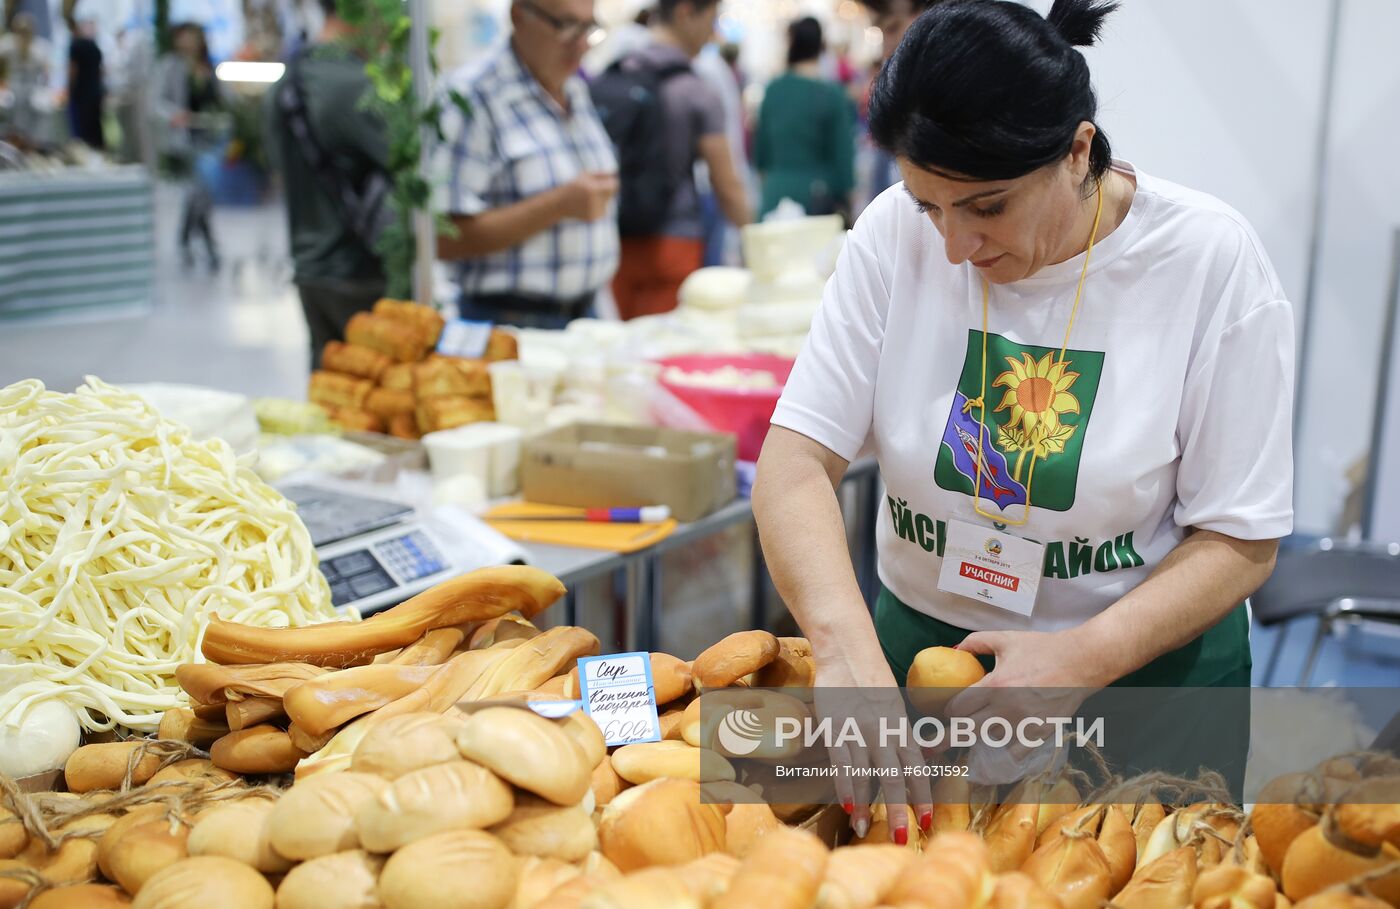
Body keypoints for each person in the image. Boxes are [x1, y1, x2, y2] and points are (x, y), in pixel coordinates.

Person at [754, 0, 1292, 841]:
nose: (956, 247)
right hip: (927, 664)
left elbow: (1241, 538)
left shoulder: (1206, 262)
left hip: (1141, 681)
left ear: (1078, 150)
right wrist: (839, 642)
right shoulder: (894, 238)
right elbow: (794, 462)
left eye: (988, 207)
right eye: (931, 205)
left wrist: (1082, 658)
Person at [435, 0, 620, 330]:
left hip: (585, 316)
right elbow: (444, 236)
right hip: (509, 322)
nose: (580, 43)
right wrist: (558, 204)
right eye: (565, 25)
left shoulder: (573, 88)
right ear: (519, 16)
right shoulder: (472, 96)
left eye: (588, 27)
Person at [606, 0, 750, 320]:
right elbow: (725, 183)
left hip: (616, 238)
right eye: (711, 21)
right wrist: (754, 240)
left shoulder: (616, 72)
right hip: (674, 240)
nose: (712, 35)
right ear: (686, 13)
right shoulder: (695, 89)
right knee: (663, 352)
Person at [266, 0, 389, 368]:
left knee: (330, 390)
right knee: (374, 401)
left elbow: (277, 169)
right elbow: (411, 164)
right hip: (361, 269)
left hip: (310, 266)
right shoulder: (357, 83)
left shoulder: (290, 76)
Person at [753, 17, 855, 220]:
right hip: (817, 201)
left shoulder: (773, 90)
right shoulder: (832, 95)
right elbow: (844, 158)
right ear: (821, 45)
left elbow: (760, 155)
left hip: (774, 197)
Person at [155, 23, 224, 270]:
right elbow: (156, 102)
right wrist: (175, 115)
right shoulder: (170, 66)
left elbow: (220, 99)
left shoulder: (208, 66)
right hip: (185, 138)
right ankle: (207, 244)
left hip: (209, 136)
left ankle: (187, 238)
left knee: (201, 193)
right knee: (198, 191)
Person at [0, 13, 54, 149]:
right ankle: (10, 141)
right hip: (13, 85)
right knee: (9, 109)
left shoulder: (39, 47)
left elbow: (46, 72)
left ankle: (35, 144)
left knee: (42, 109)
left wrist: (44, 87)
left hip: (32, 85)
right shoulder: (7, 44)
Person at [66, 15, 104, 150]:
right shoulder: (94, 46)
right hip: (96, 92)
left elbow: (73, 70)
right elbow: (101, 71)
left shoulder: (75, 45)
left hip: (81, 93)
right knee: (96, 127)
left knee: (82, 131)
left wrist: (69, 90)